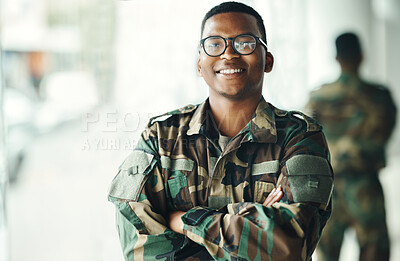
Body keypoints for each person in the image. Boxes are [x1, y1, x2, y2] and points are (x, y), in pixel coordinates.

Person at [109, 2, 334, 260]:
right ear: (199, 65)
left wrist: (185, 221)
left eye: (245, 43)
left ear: (267, 60)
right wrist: (249, 226)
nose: (229, 54)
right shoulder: (161, 136)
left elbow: (288, 245)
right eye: (214, 44)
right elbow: (138, 244)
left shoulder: (300, 137)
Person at [305, 32, 397, 261]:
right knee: (374, 252)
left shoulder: (318, 97)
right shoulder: (380, 97)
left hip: (328, 189)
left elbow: (307, 139)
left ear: (336, 58)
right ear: (362, 56)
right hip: (365, 185)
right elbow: (383, 136)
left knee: (326, 254)